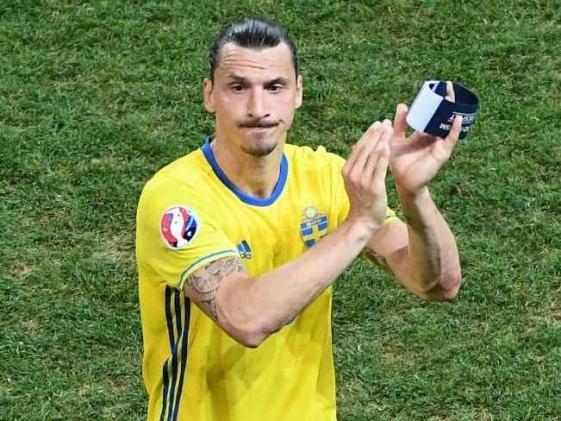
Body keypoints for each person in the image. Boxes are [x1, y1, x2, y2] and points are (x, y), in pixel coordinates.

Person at [136, 16, 462, 421]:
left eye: (274, 87)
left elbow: (437, 283)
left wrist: (414, 196)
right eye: (238, 88)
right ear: (210, 95)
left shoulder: (325, 177)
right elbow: (246, 318)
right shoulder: (175, 200)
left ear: (298, 93)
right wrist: (358, 225)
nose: (258, 109)